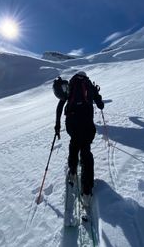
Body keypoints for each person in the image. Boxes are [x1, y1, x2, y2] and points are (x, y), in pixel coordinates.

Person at [54, 71, 104, 205]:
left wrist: (57, 124)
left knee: (74, 143)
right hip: (87, 123)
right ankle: (87, 192)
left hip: (72, 122)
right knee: (86, 151)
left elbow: (60, 107)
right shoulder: (88, 85)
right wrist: (99, 104)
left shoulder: (70, 85)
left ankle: (73, 171)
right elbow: (99, 102)